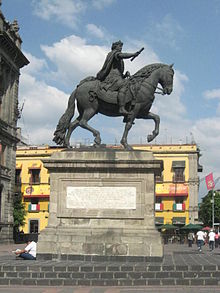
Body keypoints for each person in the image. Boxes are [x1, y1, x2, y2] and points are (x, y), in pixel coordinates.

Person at [96, 40, 142, 115]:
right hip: (112, 78)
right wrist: (133, 54)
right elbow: (122, 55)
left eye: (121, 46)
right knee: (124, 84)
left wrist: (124, 75)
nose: (121, 48)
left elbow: (117, 71)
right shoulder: (114, 53)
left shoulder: (117, 56)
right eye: (119, 46)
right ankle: (121, 108)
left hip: (117, 77)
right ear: (115, 47)